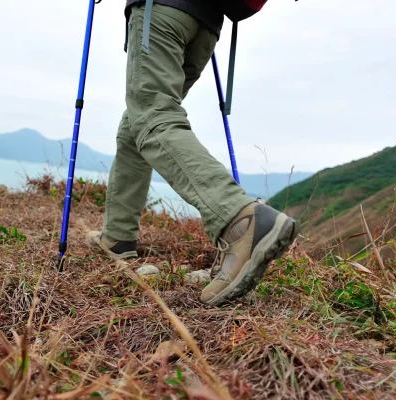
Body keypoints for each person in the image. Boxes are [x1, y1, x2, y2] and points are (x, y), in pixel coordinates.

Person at [87, 0, 298, 306]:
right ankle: (117, 236)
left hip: (160, 10)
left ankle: (238, 217)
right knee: (138, 119)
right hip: (206, 23)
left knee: (151, 114)